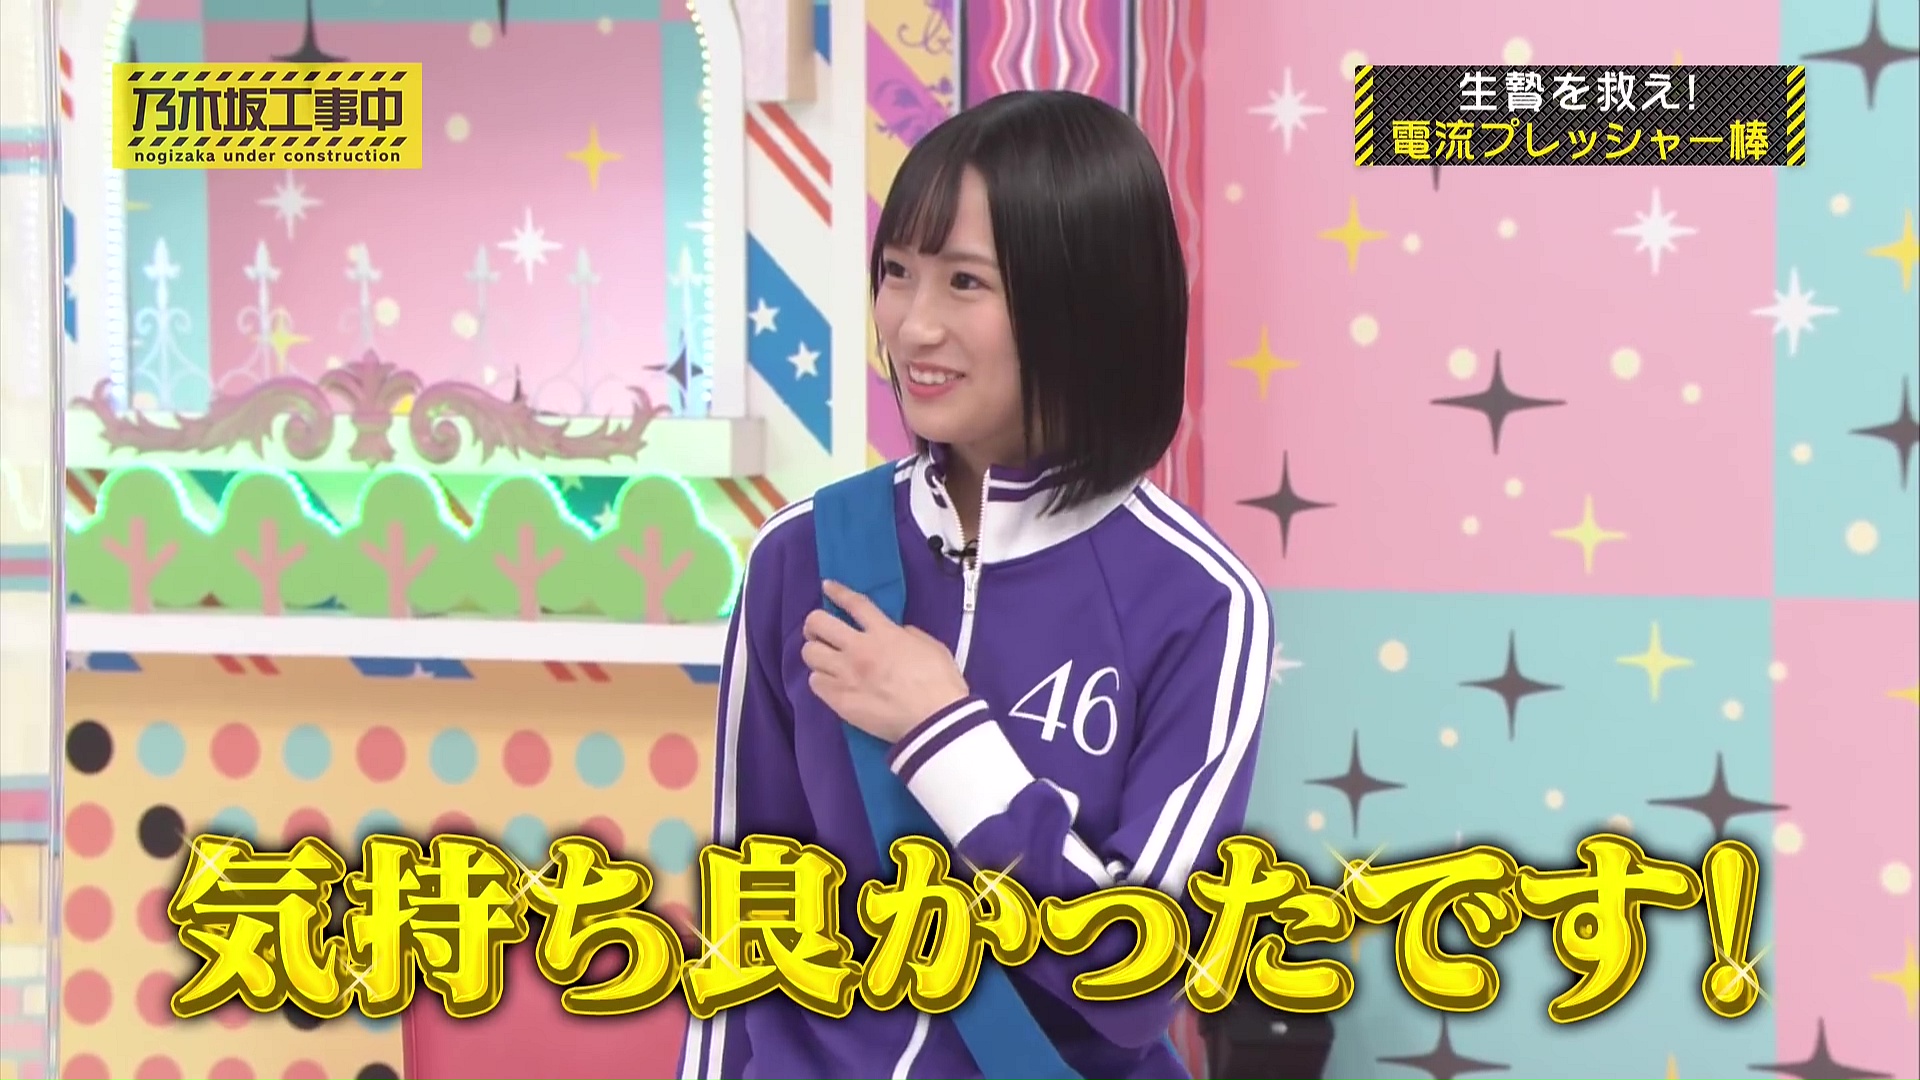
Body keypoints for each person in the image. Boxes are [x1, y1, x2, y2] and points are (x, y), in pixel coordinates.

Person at [676, 89, 1272, 1080]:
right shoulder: (801, 556)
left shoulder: (1199, 603)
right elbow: (749, 918)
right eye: (896, 273)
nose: (912, 326)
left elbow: (1137, 981)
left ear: (1085, 304)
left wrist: (944, 734)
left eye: (965, 282)